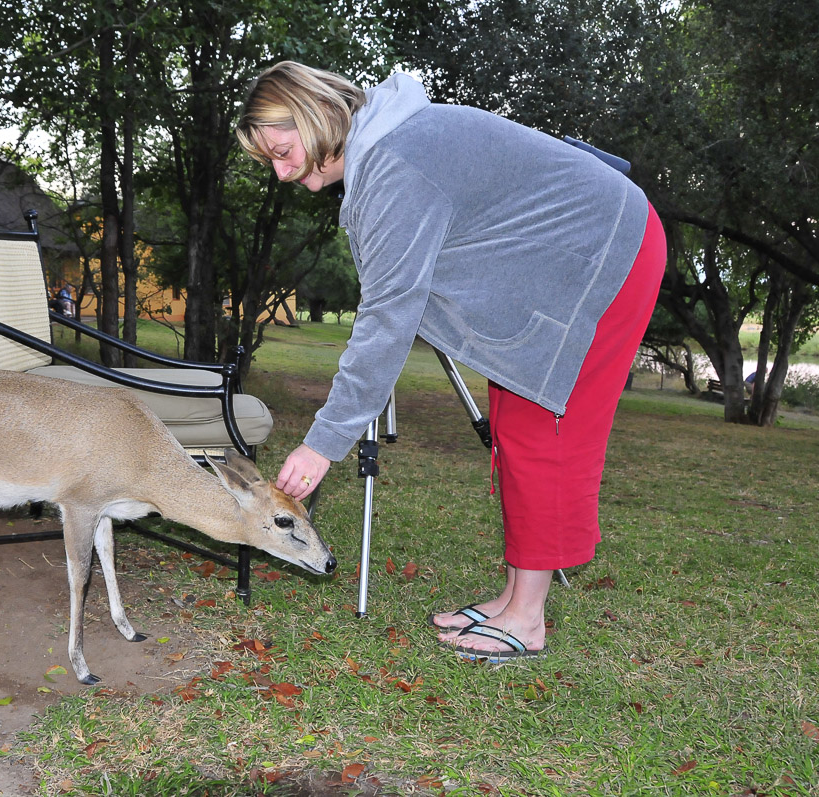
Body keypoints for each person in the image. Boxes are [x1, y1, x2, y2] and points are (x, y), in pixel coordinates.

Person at [235, 62, 666, 662]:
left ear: (318, 117)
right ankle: (515, 595)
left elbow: (387, 313)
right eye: (271, 162)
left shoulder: (393, 164)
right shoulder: (385, 150)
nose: (281, 173)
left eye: (284, 151)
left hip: (604, 254)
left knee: (546, 429)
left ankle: (528, 618)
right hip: (566, 262)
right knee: (515, 423)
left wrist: (323, 442)